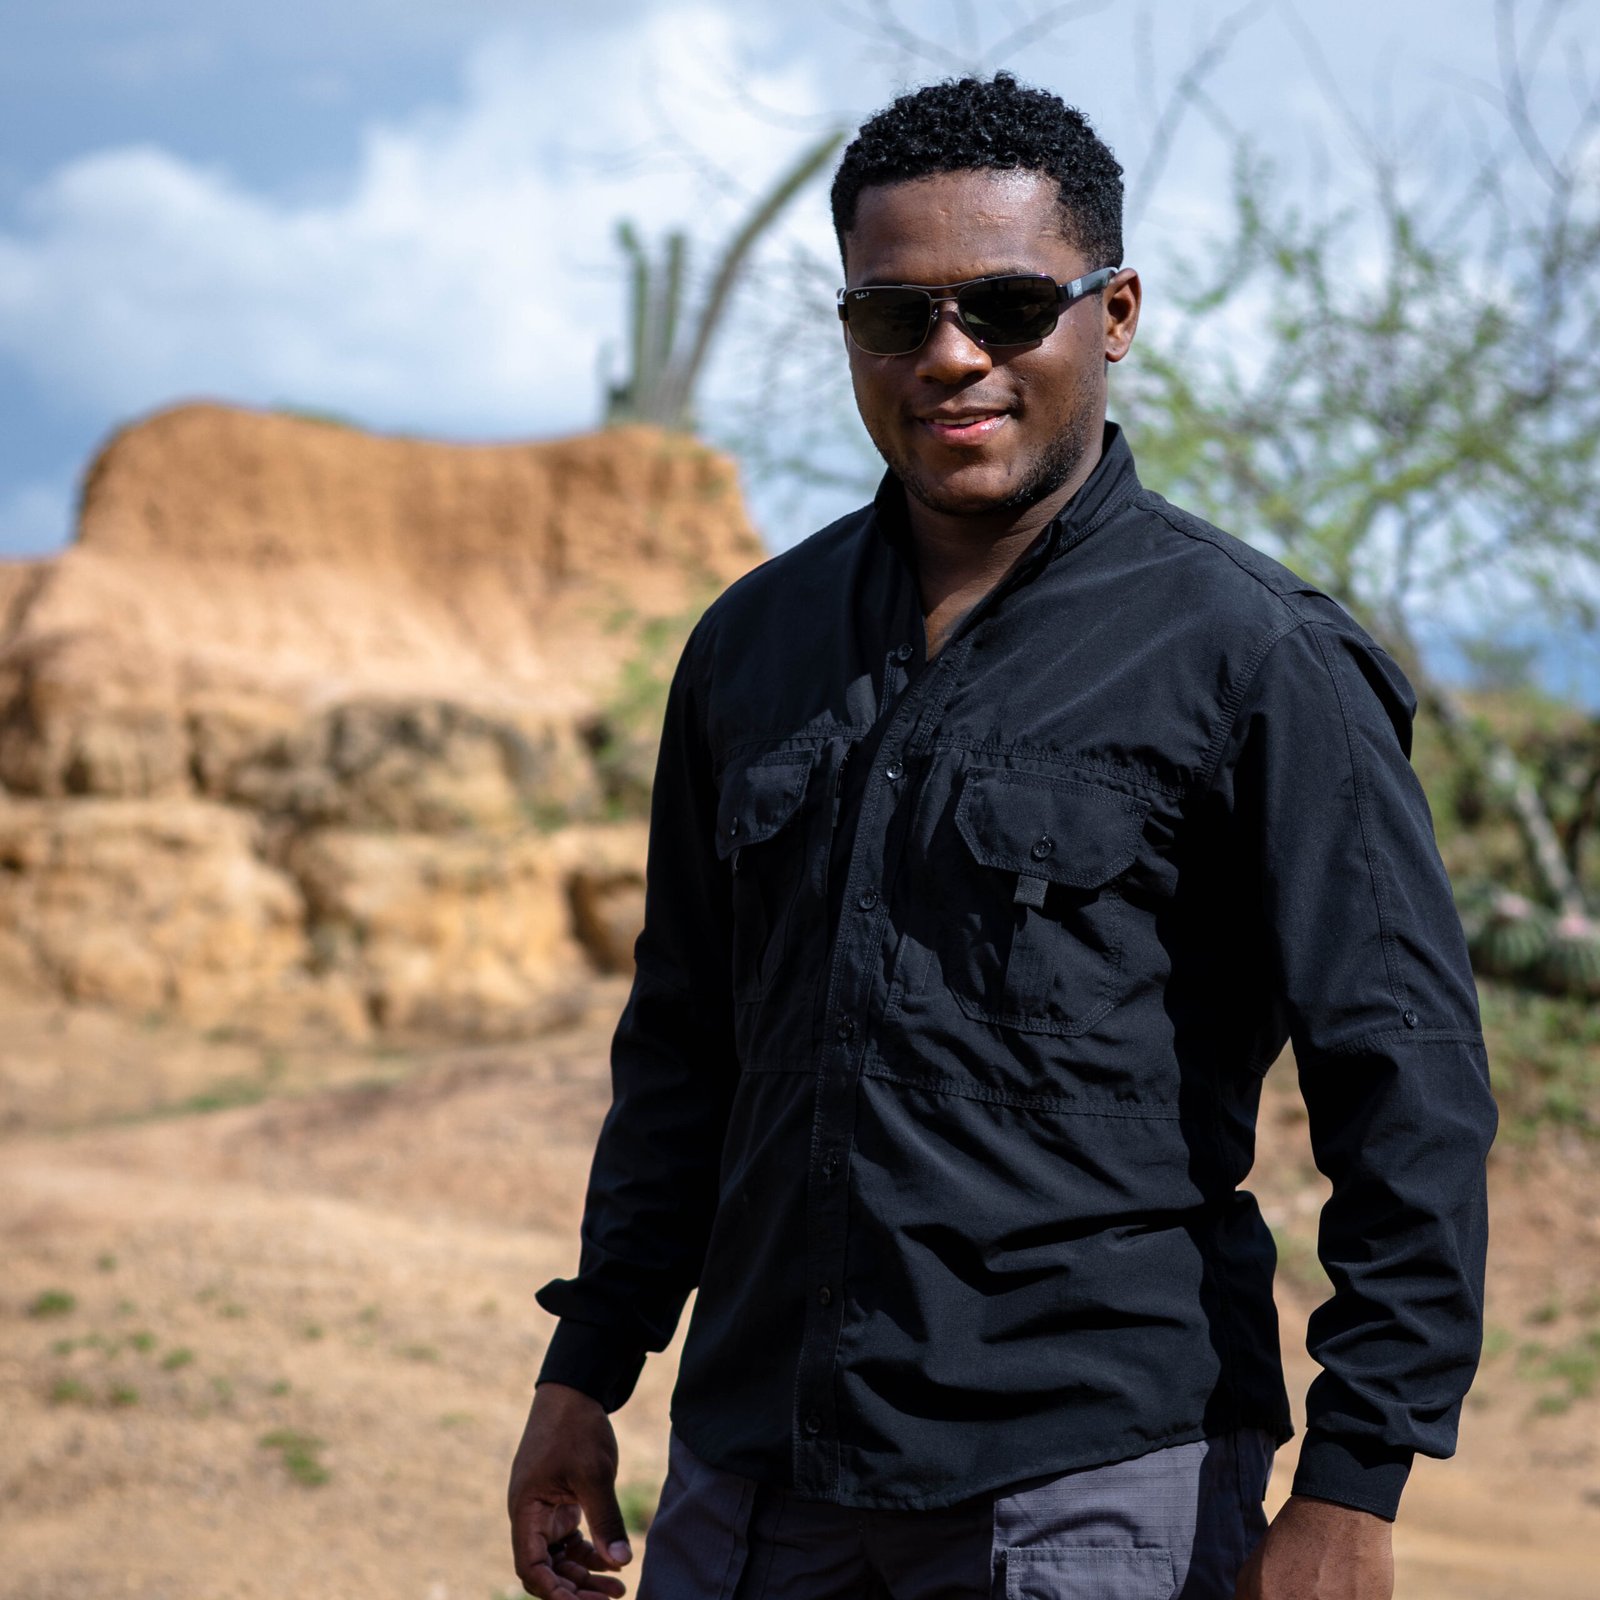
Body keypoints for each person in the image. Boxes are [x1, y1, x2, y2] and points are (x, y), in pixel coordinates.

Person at [507, 73, 1497, 1600]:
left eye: (1010, 305)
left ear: (1116, 314)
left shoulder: (1258, 658)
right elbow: (686, 1047)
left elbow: (1408, 1082)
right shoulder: (752, 647)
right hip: (755, 1470)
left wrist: (1354, 1482)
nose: (951, 355)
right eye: (895, 315)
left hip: (1091, 1485)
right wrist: (588, 1366)